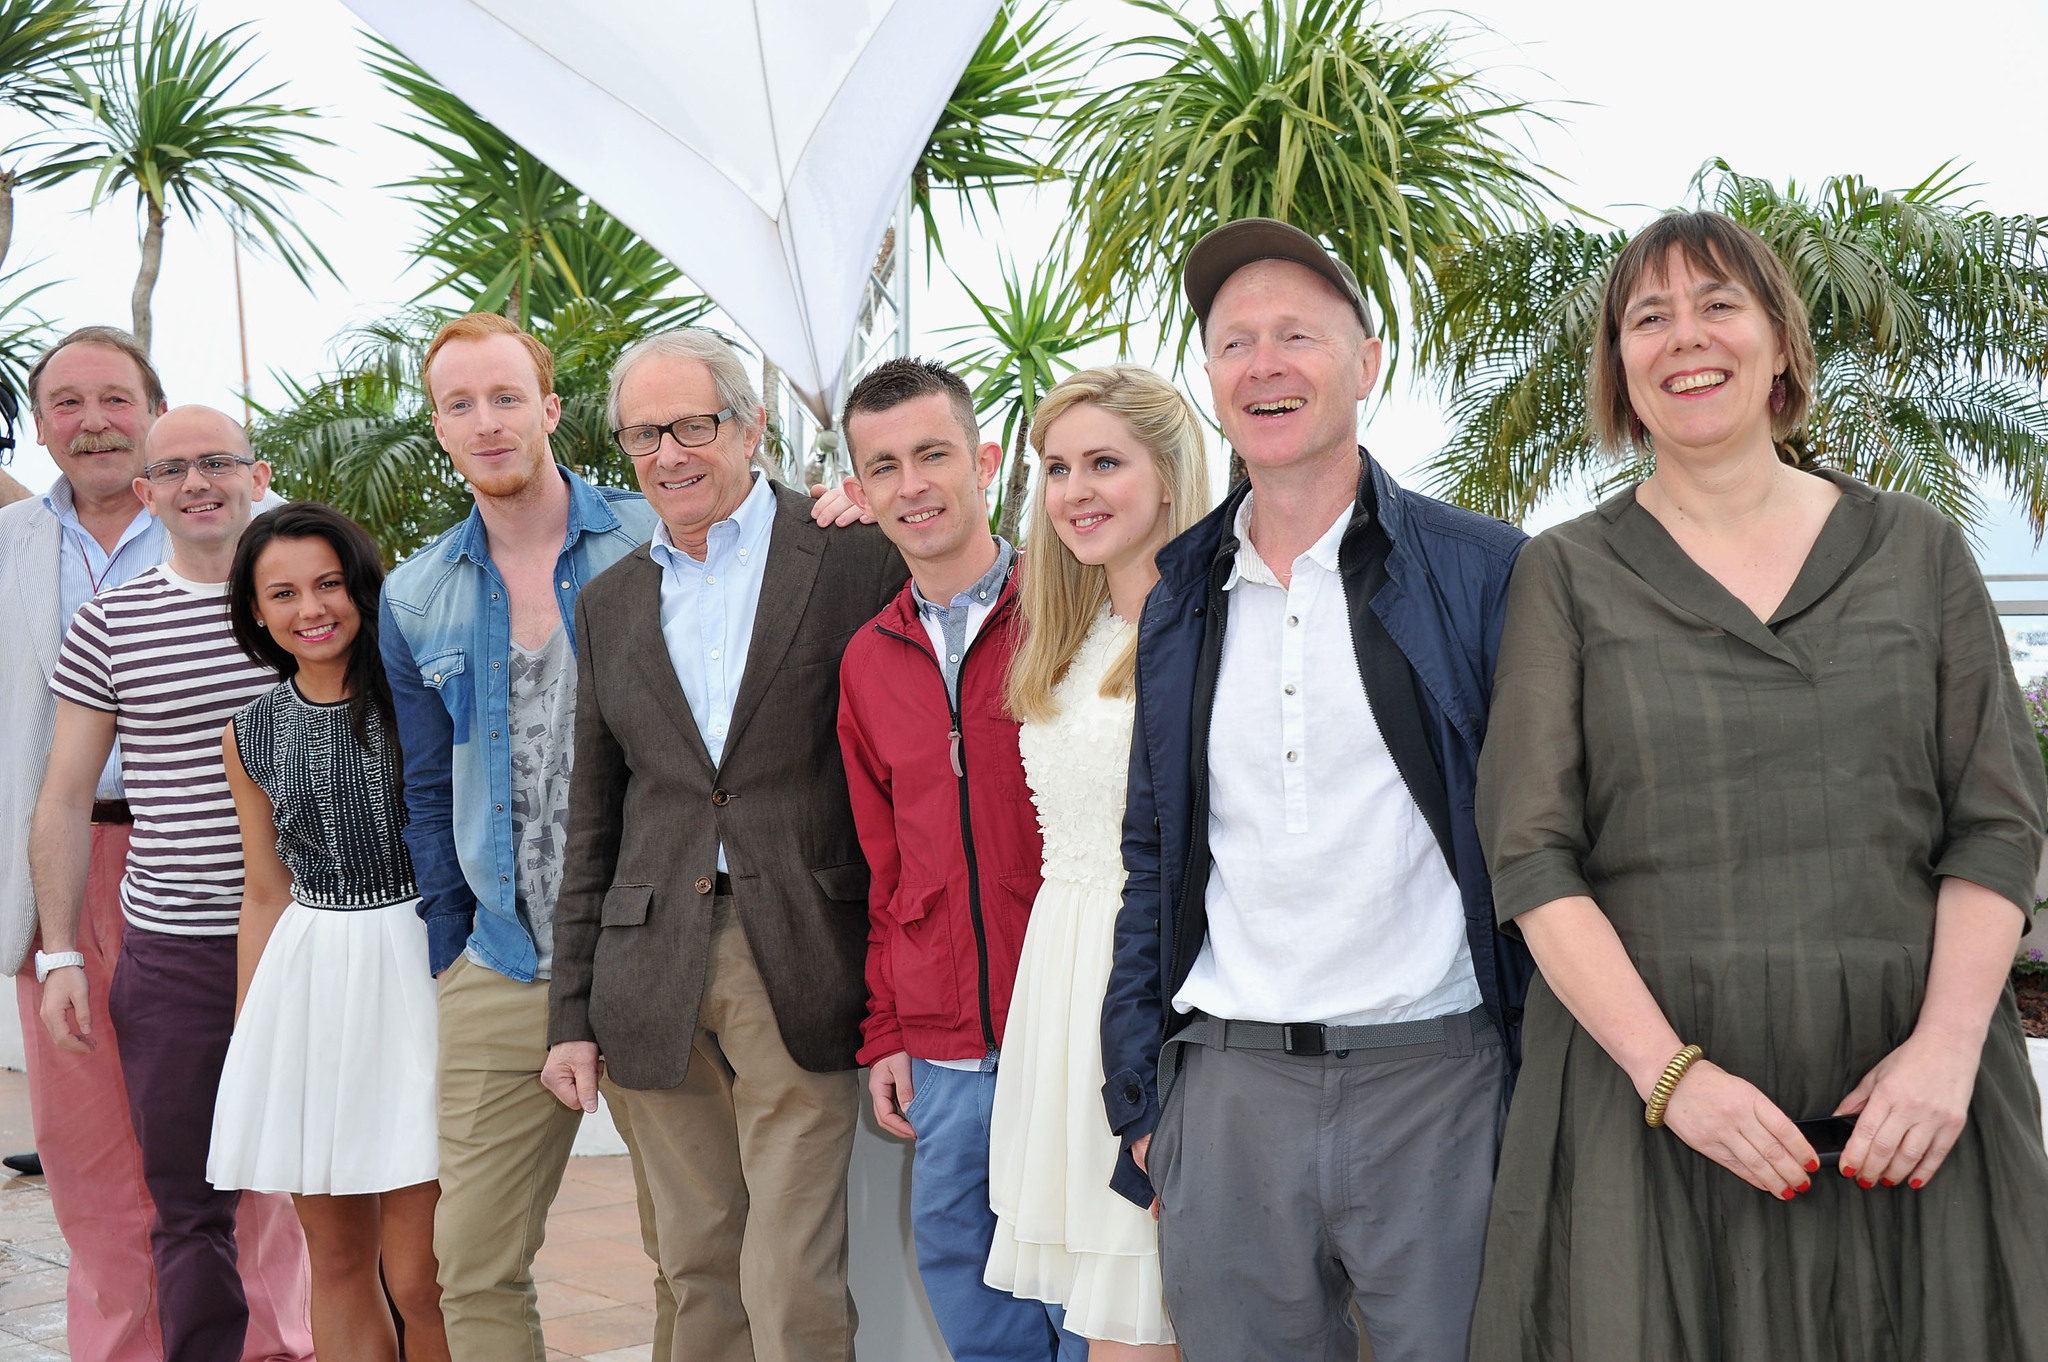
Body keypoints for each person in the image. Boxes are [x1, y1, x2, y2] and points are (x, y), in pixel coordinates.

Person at [1468, 210, 2048, 1360]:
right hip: (1650, 1109)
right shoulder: (1565, 574)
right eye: (1648, 317)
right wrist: (1672, 1080)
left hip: (1905, 1103)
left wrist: (1941, 1055)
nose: (1685, 337)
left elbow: (1993, 821)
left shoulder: (1918, 551)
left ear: (1779, 343)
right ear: (1620, 371)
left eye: (1717, 304)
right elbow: (1530, 855)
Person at [1099, 218, 1532, 1362]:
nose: (1264, 364)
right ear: (1209, 380)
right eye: (1234, 342)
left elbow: (1543, 838)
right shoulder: (1182, 590)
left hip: (1435, 1084)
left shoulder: (1483, 572)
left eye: (1297, 334)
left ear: (1367, 361)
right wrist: (1139, 1097)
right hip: (1228, 1092)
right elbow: (1157, 856)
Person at [540, 328, 906, 1362]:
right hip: (647, 967)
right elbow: (593, 814)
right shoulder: (610, 603)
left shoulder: (850, 554)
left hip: (800, 948)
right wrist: (571, 1014)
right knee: (696, 1264)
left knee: (792, 1275)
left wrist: (892, 502)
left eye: (692, 425)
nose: (668, 455)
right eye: (644, 434)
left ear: (749, 427)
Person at [377, 311, 671, 1361]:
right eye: (460, 404)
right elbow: (421, 786)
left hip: (653, 950)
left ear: (547, 409)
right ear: (440, 427)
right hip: (498, 963)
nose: (486, 421)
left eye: (505, 397)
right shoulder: (414, 596)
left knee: (691, 1250)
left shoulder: (653, 538)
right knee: (472, 1262)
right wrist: (449, 946)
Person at [31, 403, 315, 1362]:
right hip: (177, 950)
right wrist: (63, 948)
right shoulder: (110, 620)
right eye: (177, 469)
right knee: (190, 1204)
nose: (200, 483)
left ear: (259, 475)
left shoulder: (314, 604)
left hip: (315, 941)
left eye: (220, 462)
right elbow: (67, 795)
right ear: (147, 494)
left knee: (340, 1180)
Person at [836, 356, 1088, 1362]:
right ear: (857, 494)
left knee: (1087, 1292)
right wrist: (886, 1030)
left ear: (984, 461)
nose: (913, 485)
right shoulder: (867, 656)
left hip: (1066, 1024)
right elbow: (881, 861)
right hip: (944, 1046)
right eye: (884, 466)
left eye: (933, 454)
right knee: (964, 1274)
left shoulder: (1070, 616)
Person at [984, 365, 1210, 1358]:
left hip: (1156, 987)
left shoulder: (1209, 629)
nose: (1073, 489)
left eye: (1103, 463)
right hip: (1063, 989)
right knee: (1109, 1321)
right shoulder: (1068, 639)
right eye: (1055, 467)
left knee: (1148, 1317)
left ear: (1167, 475)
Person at [210, 502, 448, 1361]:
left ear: (360, 587)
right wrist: (253, 1036)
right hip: (310, 990)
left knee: (424, 1274)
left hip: (422, 970)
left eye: (328, 584)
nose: (310, 609)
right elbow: (265, 894)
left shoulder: (419, 696)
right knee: (338, 1258)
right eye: (283, 593)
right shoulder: (249, 734)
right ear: (257, 611)